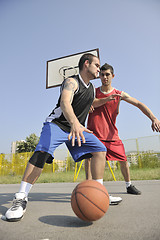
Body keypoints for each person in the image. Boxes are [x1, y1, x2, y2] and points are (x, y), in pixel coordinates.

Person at [5, 54, 122, 222]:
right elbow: (65, 103)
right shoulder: (71, 82)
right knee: (42, 153)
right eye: (96, 65)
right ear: (86, 64)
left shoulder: (90, 89)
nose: (99, 68)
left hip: (76, 129)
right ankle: (21, 197)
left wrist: (106, 100)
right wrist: (75, 122)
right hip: (57, 125)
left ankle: (99, 192)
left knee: (100, 149)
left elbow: (91, 103)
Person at [85, 63, 160, 195]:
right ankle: (89, 186)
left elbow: (138, 104)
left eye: (107, 74)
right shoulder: (93, 92)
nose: (104, 77)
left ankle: (129, 185)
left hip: (111, 135)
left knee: (123, 159)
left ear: (113, 76)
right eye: (102, 75)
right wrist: (87, 106)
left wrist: (153, 118)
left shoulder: (118, 94)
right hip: (94, 133)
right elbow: (79, 102)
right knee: (89, 158)